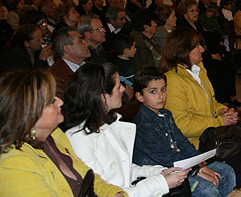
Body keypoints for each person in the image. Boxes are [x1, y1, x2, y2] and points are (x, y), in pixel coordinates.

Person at [160, 28, 241, 190]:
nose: (202, 49)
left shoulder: (198, 70)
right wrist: (219, 120)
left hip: (211, 134)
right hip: (196, 144)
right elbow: (180, 125)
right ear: (183, 51)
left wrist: (223, 110)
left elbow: (211, 102)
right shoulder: (173, 81)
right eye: (197, 46)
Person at [61, 62, 190, 196]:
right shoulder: (79, 138)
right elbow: (103, 191)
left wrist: (158, 172)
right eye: (118, 87)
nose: (123, 89)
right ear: (103, 97)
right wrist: (161, 182)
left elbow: (125, 169)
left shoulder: (108, 123)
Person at [0, 69, 126, 197]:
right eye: (51, 101)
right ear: (29, 113)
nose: (60, 101)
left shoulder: (55, 135)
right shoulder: (14, 165)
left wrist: (114, 194)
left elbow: (88, 176)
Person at [131, 67, 236, 197]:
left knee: (226, 171)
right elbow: (165, 158)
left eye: (163, 90)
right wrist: (197, 171)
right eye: (153, 92)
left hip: (181, 164)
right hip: (162, 172)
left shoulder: (166, 114)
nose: (160, 96)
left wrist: (201, 164)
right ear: (140, 96)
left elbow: (182, 142)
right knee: (206, 189)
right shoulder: (142, 125)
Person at [48, 27, 92, 99]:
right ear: (67, 49)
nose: (87, 43)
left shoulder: (90, 66)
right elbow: (66, 106)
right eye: (81, 41)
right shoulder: (54, 76)